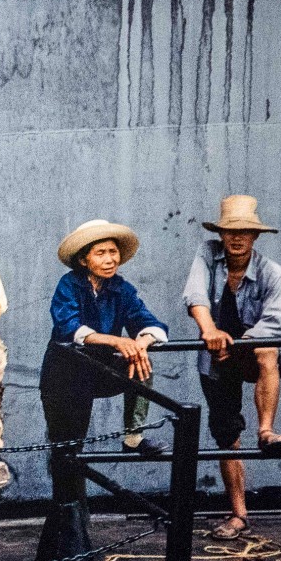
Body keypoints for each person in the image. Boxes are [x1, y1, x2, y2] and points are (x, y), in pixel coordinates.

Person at [40, 220, 170, 517]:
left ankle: (133, 437)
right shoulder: (69, 285)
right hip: (64, 376)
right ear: (84, 259)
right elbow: (69, 326)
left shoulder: (121, 289)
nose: (110, 259)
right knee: (68, 448)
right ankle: (70, 517)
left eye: (113, 252)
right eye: (100, 253)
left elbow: (150, 323)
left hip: (99, 370)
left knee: (141, 361)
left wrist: (141, 342)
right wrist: (116, 340)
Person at [182, 195, 281, 540]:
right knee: (226, 434)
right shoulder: (207, 254)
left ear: (255, 236)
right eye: (230, 231)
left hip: (249, 350)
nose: (237, 237)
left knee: (268, 350)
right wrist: (210, 332)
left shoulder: (272, 273)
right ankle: (239, 515)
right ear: (221, 234)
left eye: (244, 231)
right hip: (215, 355)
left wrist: (237, 345)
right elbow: (195, 296)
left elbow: (272, 324)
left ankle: (266, 431)